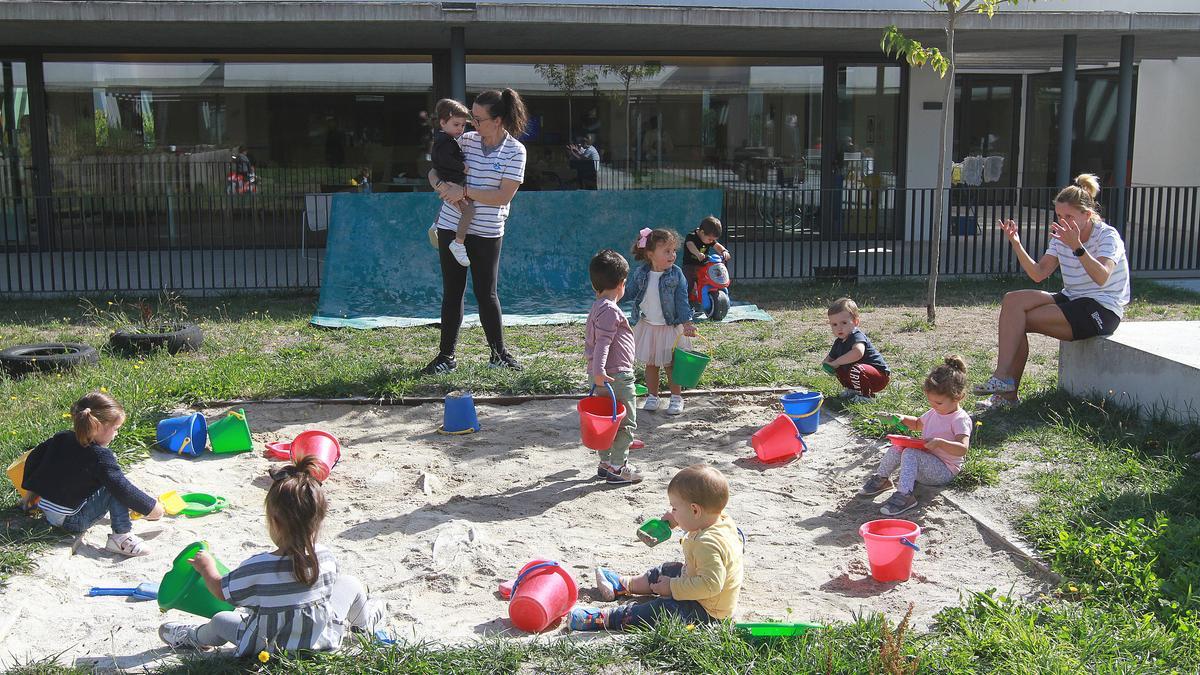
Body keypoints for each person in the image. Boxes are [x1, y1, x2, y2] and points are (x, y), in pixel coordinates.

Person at [158, 456, 386, 656]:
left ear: (274, 522)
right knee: (351, 584)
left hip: (266, 646)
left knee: (220, 621)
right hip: (322, 639)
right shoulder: (325, 556)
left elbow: (220, 593)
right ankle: (362, 627)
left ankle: (194, 637)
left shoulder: (259, 567)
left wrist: (206, 567)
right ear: (319, 520)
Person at [975, 174, 1130, 410]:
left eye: (1069, 216)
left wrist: (1076, 246)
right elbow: (1038, 273)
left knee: (1020, 320)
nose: (1062, 221)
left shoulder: (1107, 236)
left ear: (1087, 215)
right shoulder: (1061, 236)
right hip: (1072, 297)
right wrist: (1016, 243)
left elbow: (1101, 276)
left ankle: (1006, 390)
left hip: (1102, 307)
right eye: (1059, 215)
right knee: (1013, 301)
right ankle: (1002, 380)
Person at [423, 88, 530, 375]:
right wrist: (441, 187)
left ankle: (498, 354)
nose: (471, 124)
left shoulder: (515, 151)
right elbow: (433, 170)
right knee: (452, 293)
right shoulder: (464, 141)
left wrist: (465, 190)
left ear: (498, 120)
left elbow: (503, 196)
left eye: (478, 119)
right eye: (471, 118)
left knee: (487, 293)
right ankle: (446, 356)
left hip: (487, 231)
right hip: (450, 226)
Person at [569, 464, 743, 631]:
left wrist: (672, 588)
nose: (671, 512)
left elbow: (710, 586)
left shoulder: (707, 544)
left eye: (675, 508)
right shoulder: (719, 519)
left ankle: (605, 618)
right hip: (695, 580)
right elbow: (725, 536)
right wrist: (678, 519)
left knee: (659, 610)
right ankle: (623, 584)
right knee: (666, 570)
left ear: (695, 510)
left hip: (705, 611)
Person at [19, 391, 163, 557]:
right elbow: (122, 489)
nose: (117, 434)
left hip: (48, 510)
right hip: (72, 520)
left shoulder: (62, 438)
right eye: (116, 429)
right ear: (97, 427)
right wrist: (152, 508)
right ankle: (121, 536)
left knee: (106, 480)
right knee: (113, 487)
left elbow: (34, 458)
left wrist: (31, 492)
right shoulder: (100, 456)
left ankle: (124, 513)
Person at [861, 356, 973, 515]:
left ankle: (906, 496)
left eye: (939, 403)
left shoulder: (960, 419)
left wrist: (940, 443)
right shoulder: (935, 412)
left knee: (911, 453)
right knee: (897, 448)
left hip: (944, 470)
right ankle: (882, 479)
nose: (934, 406)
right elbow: (916, 424)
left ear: (958, 397)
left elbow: (962, 449)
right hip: (926, 463)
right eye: (931, 402)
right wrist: (900, 418)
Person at [624, 227, 698, 416]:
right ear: (650, 254)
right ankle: (652, 396)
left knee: (671, 364)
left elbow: (682, 300)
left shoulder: (676, 274)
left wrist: (687, 322)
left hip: (670, 327)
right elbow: (630, 292)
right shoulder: (641, 273)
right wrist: (612, 294)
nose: (672, 255)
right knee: (651, 364)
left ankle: (676, 397)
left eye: (674, 251)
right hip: (648, 327)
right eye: (666, 251)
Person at [585, 249, 642, 485]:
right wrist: (600, 371)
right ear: (622, 284)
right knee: (625, 422)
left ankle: (606, 462)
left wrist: (596, 373)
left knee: (607, 421)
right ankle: (618, 467)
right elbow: (603, 343)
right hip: (614, 376)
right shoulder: (610, 309)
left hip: (602, 376)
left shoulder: (598, 306)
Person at [429, 98, 476, 267]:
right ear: (443, 122)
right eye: (456, 125)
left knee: (448, 203)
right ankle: (458, 243)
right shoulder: (445, 143)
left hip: (449, 182)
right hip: (451, 182)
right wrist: (462, 166)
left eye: (463, 125)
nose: (460, 129)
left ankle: (436, 225)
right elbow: (443, 161)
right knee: (469, 211)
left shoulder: (445, 140)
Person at [823, 297, 890, 400]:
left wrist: (837, 362)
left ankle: (867, 396)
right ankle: (852, 390)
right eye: (834, 324)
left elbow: (858, 353)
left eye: (844, 323)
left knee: (855, 368)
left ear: (855, 322)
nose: (839, 328)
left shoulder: (856, 336)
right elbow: (829, 359)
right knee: (839, 367)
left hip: (878, 376)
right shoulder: (838, 342)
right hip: (861, 376)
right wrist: (828, 364)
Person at [681, 215, 731, 305]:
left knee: (708, 280)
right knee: (688, 283)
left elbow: (717, 246)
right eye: (710, 239)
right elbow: (690, 245)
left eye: (713, 240)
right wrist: (697, 253)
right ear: (702, 232)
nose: (711, 241)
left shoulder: (709, 239)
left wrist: (724, 251)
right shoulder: (691, 236)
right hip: (690, 265)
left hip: (703, 265)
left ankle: (705, 297)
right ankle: (685, 302)